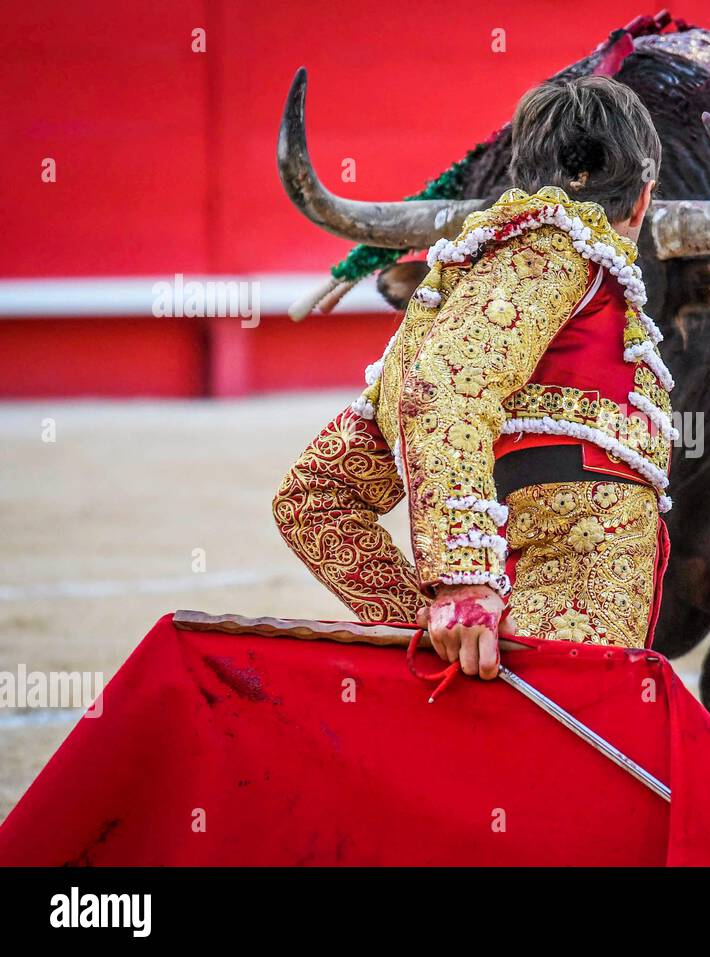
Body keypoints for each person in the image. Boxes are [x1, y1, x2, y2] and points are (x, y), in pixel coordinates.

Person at [272, 75, 674, 682]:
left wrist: (435, 631)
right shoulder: (560, 252)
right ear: (642, 199)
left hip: (500, 656)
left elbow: (315, 499)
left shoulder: (442, 309)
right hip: (561, 654)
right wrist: (461, 588)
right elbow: (445, 388)